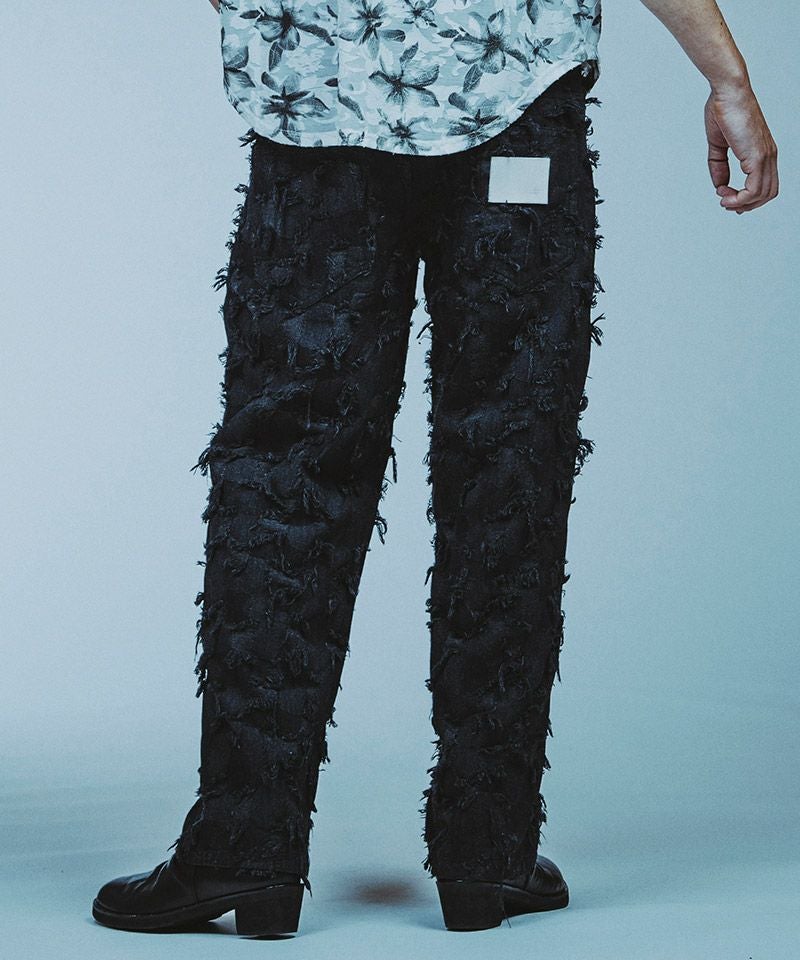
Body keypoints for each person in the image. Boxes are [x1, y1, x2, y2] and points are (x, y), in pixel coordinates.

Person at [91, 0, 778, 938]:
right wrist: (727, 78)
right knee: (510, 463)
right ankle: (484, 855)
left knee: (287, 469)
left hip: (317, 98)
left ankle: (244, 850)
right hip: (515, 94)